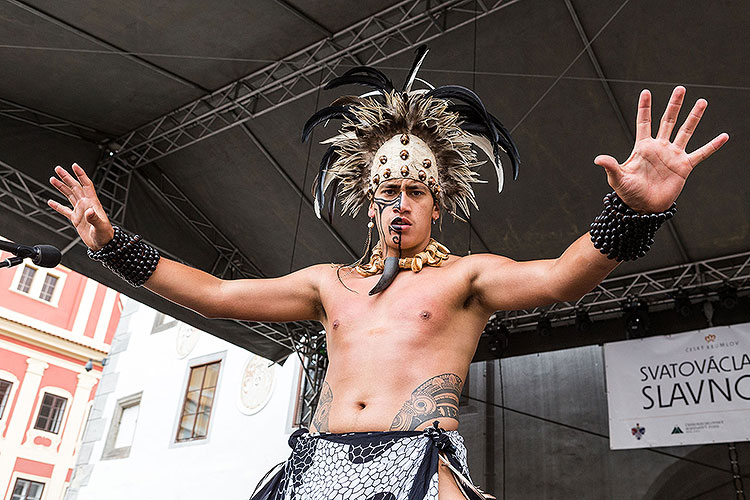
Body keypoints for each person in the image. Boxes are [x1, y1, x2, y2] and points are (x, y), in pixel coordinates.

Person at [48, 48, 727, 500]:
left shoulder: (466, 279)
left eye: (413, 190)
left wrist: (627, 212)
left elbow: (560, 279)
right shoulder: (327, 284)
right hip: (317, 460)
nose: (398, 201)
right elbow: (219, 297)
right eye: (385, 192)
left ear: (439, 202)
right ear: (368, 204)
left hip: (420, 460)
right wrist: (113, 245)